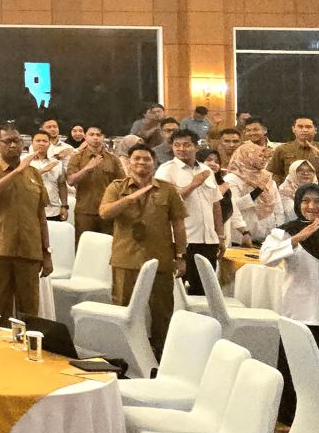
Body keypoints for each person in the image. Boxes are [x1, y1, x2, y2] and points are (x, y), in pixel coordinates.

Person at [258, 183, 319, 422]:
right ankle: (292, 415)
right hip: (301, 311)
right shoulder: (285, 232)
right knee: (298, 365)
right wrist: (297, 239)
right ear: (298, 204)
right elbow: (266, 258)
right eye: (306, 201)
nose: (312, 206)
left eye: (318, 201)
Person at [100, 145, 186, 352]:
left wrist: (180, 256)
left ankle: (161, 354)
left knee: (162, 311)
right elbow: (104, 213)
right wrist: (129, 199)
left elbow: (179, 225)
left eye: (146, 159)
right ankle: (122, 352)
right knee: (122, 308)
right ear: (128, 162)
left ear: (154, 163)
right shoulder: (116, 187)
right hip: (126, 258)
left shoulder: (167, 189)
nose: (141, 162)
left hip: (160, 259)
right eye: (136, 158)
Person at [0, 126, 53, 322]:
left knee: (29, 312)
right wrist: (17, 171)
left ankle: (25, 342)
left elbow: (40, 216)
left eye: (17, 141)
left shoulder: (34, 174)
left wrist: (46, 253)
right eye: (7, 142)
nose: (13, 145)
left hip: (29, 251)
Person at [157, 129, 223, 295]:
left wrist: (220, 236)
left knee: (205, 291)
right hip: (182, 241)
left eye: (186, 145)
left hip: (208, 240)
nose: (181, 149)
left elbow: (215, 204)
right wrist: (193, 185)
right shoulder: (166, 170)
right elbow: (165, 203)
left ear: (196, 147)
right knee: (178, 291)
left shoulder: (206, 170)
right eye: (177, 145)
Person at [227, 140, 293, 244]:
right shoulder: (232, 179)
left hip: (266, 237)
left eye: (265, 157)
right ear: (247, 156)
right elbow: (234, 207)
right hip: (241, 237)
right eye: (260, 156)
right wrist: (257, 191)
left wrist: (278, 233)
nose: (264, 160)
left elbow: (278, 209)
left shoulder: (267, 177)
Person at [68, 126, 125, 237]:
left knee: (107, 242)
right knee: (83, 242)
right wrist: (87, 168)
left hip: (107, 209)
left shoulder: (113, 159)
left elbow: (122, 183)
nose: (95, 138)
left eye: (98, 135)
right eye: (91, 134)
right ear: (85, 137)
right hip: (85, 211)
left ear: (103, 137)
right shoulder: (77, 157)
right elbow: (70, 180)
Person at [268, 116, 319, 185]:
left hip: (318, 190)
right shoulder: (282, 149)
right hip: (290, 190)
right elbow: (274, 173)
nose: (304, 130)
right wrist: (279, 187)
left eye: (308, 127)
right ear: (293, 129)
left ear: (315, 130)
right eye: (300, 127)